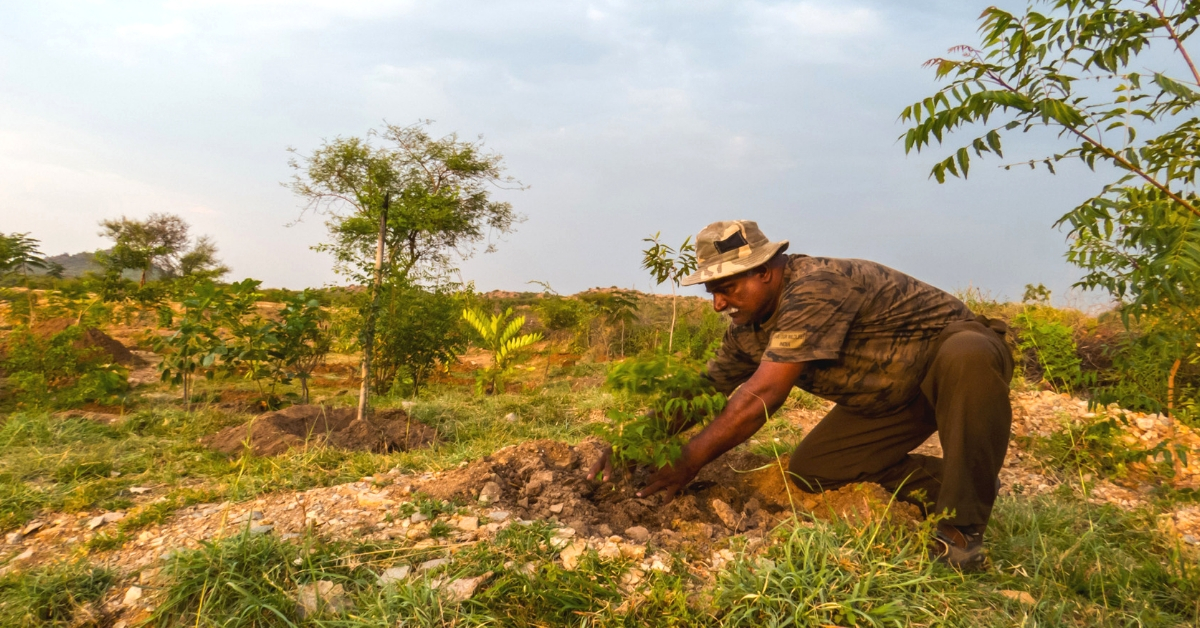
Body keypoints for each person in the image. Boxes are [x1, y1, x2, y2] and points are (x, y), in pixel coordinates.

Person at [588, 220, 1013, 570]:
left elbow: (764, 393)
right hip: (890, 400)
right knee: (814, 469)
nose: (719, 304)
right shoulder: (747, 329)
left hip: (952, 370)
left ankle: (961, 531)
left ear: (765, 271)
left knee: (967, 353)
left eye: (728, 288)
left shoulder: (816, 285)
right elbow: (704, 391)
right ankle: (967, 481)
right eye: (712, 293)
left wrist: (690, 459)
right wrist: (635, 442)